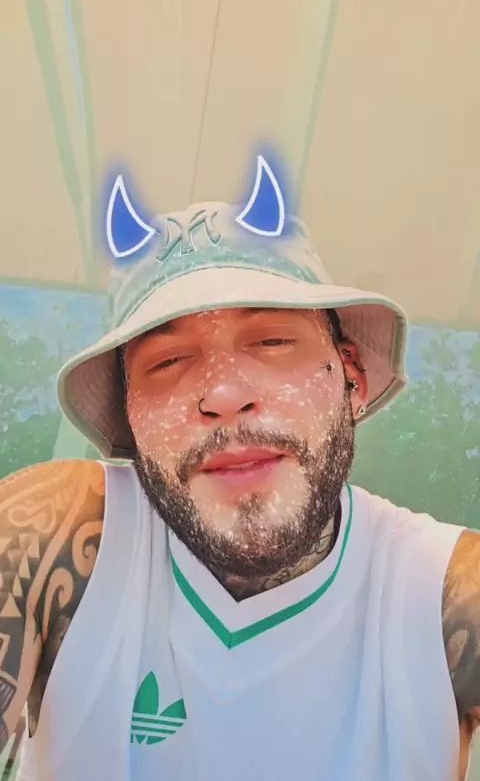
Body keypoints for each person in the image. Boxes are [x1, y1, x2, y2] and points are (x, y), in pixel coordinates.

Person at [0, 199, 478, 781]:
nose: (224, 395)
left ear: (350, 378)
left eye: (272, 341)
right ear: (132, 421)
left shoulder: (446, 591)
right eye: (168, 361)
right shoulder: (55, 533)